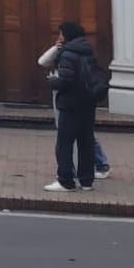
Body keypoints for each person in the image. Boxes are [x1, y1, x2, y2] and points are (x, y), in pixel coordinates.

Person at [38, 39, 112, 180]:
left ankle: (98, 165)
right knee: (66, 132)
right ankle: (71, 168)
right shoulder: (62, 52)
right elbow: (42, 61)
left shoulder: (79, 54)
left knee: (80, 134)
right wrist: (55, 48)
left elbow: (72, 78)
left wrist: (56, 81)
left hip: (74, 99)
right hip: (62, 97)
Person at [44, 22, 104, 192]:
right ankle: (86, 181)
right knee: (86, 142)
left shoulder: (68, 54)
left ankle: (66, 181)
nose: (60, 37)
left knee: (64, 143)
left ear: (67, 35)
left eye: (62, 34)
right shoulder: (88, 51)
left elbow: (66, 81)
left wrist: (52, 81)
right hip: (88, 104)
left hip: (70, 104)